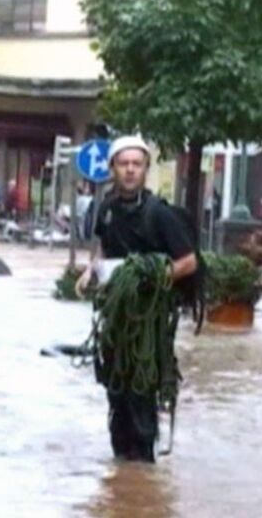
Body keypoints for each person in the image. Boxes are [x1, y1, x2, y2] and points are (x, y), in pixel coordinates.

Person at [76, 135, 198, 462]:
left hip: (149, 323)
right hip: (116, 320)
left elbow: (188, 262)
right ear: (112, 168)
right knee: (116, 393)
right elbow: (103, 252)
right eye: (123, 164)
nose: (130, 170)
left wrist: (149, 279)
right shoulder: (106, 210)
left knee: (142, 393)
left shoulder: (160, 214)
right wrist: (91, 272)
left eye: (136, 164)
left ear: (145, 169)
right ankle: (123, 476)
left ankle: (143, 470)